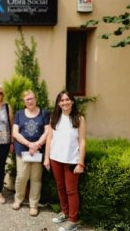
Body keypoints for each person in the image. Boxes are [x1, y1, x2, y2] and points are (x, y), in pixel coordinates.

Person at [44, 90, 86, 231]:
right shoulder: (54, 117)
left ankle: (73, 220)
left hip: (71, 160)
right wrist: (46, 158)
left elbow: (82, 141)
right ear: (58, 103)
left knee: (71, 190)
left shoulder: (79, 119)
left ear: (72, 101)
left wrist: (80, 163)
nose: (65, 102)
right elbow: (49, 138)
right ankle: (65, 212)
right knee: (60, 187)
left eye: (67, 99)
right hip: (55, 158)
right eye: (62, 100)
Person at [12, 90, 50, 216]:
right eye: (27, 99)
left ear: (36, 99)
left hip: (38, 151)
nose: (30, 101)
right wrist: (29, 144)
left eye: (31, 98)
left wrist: (37, 144)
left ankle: (33, 205)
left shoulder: (44, 113)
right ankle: (18, 199)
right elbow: (15, 133)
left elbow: (47, 132)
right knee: (21, 177)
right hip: (23, 150)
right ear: (24, 102)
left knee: (36, 178)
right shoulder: (19, 114)